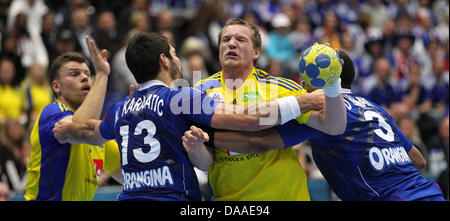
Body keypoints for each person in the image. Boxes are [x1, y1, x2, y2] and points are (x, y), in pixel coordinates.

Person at [52, 32, 345, 201]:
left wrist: (66, 129)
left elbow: (88, 132)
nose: (178, 59)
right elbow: (246, 119)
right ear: (164, 60)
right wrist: (304, 100)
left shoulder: (120, 109)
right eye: (174, 54)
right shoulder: (180, 96)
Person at [184, 50, 445, 201]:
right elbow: (419, 162)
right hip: (430, 193)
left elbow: (259, 141)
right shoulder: (374, 107)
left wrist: (209, 136)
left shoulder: (321, 108)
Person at [192, 18, 346, 201]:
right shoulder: (200, 91)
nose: (232, 44)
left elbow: (333, 126)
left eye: (241, 40)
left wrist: (332, 82)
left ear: (256, 52)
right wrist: (196, 147)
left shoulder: (280, 87)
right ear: (219, 51)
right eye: (226, 40)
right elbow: (204, 162)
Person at [24, 43, 122, 201]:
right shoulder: (52, 113)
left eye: (87, 74)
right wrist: (102, 74)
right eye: (74, 73)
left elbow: (131, 175)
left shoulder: (99, 137)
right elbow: (82, 128)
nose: (84, 77)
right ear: (56, 86)